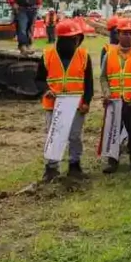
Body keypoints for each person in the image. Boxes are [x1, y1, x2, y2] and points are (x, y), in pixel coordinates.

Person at [36, 20, 93, 182]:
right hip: (53, 106)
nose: (76, 41)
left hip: (76, 105)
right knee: (54, 135)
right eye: (72, 38)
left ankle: (75, 166)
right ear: (63, 40)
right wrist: (46, 90)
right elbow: (39, 80)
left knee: (75, 136)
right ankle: (51, 168)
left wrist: (86, 102)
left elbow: (88, 83)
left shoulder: (83, 56)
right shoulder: (47, 55)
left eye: (77, 38)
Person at [99, 18, 131, 173]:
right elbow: (103, 77)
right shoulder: (109, 53)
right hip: (114, 101)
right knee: (113, 130)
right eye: (124, 33)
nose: (127, 36)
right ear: (118, 34)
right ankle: (112, 160)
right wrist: (107, 94)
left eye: (130, 33)